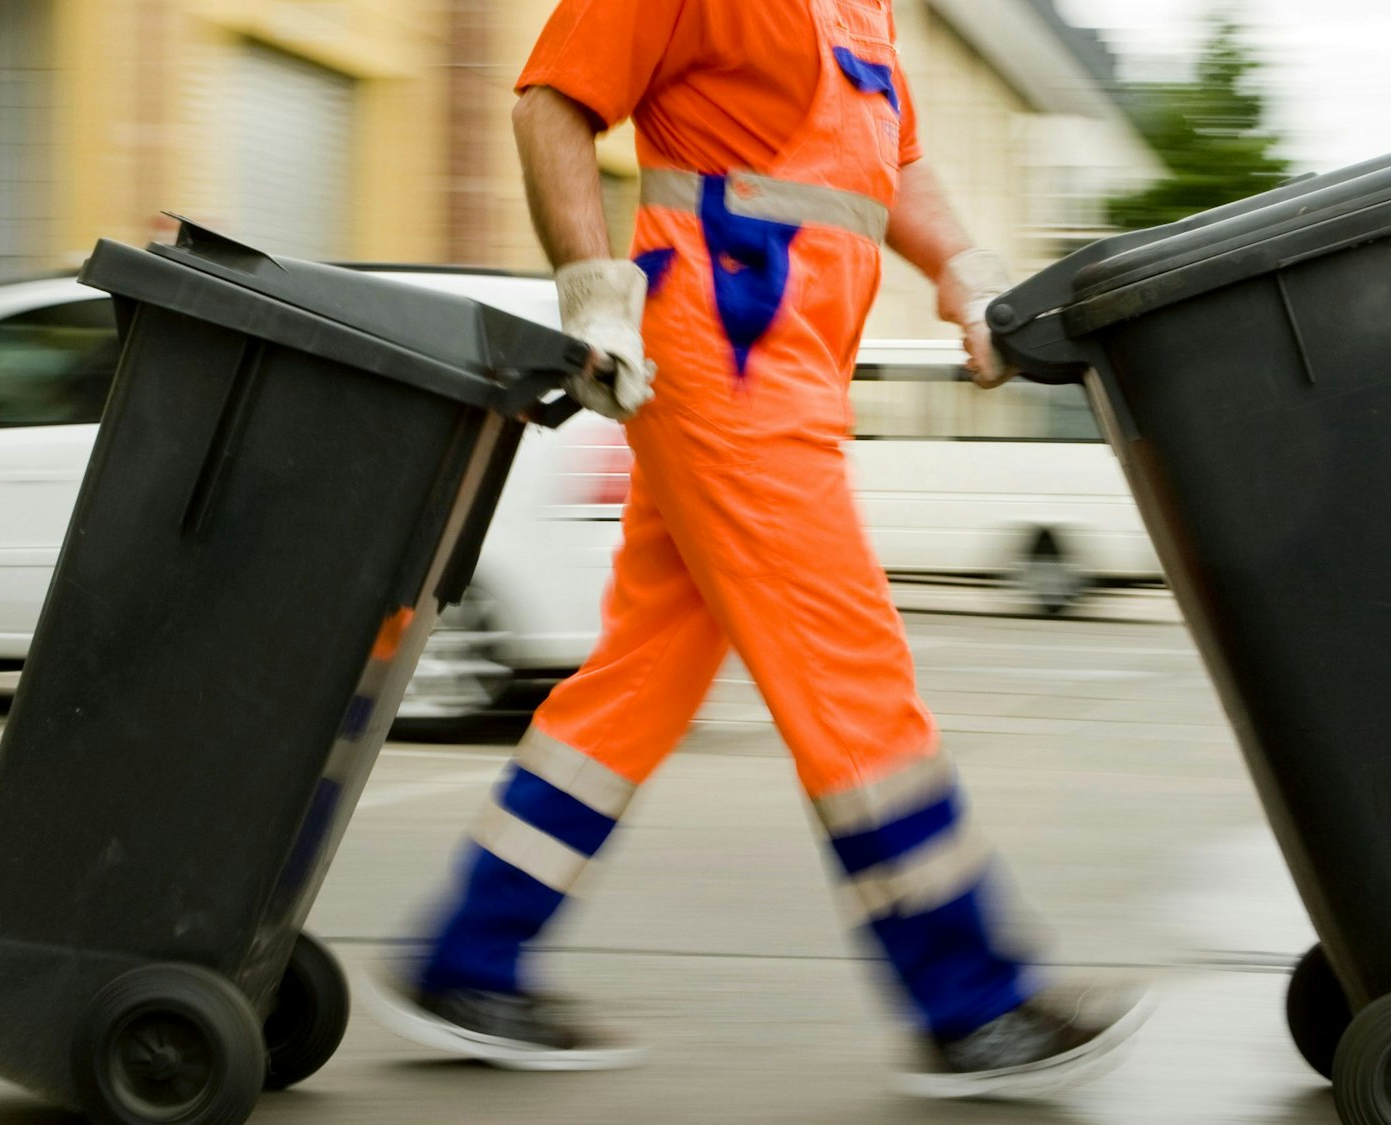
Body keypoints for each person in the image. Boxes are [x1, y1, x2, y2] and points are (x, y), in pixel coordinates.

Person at [369, 0, 1149, 1098]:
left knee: (641, 679)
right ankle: (969, 999)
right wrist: (593, 293)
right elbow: (551, 107)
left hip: (789, 365)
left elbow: (891, 160)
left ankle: (471, 954)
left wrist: (964, 267)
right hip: (723, 357)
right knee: (847, 668)